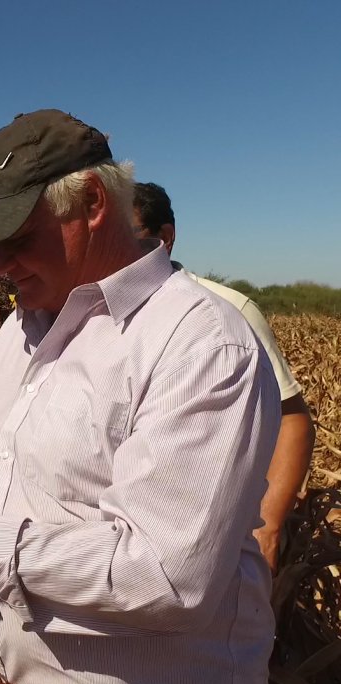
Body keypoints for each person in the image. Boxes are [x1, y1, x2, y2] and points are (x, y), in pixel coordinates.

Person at [0, 109, 281, 684]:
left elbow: (166, 577)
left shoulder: (199, 344)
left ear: (92, 203)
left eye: (17, 237)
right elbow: (13, 464)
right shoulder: (23, 328)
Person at [133, 181, 316, 573]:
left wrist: (266, 529)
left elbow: (293, 419)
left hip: (223, 553)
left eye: (126, 239)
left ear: (165, 239)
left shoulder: (229, 311)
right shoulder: (96, 319)